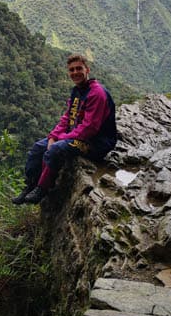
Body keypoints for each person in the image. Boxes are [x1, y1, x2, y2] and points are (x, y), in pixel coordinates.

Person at [12, 53, 117, 205]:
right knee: (37, 148)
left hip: (96, 143)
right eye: (71, 70)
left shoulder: (97, 93)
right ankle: (30, 185)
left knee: (55, 149)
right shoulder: (77, 91)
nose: (75, 73)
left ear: (87, 70)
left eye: (79, 68)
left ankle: (42, 189)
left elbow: (89, 128)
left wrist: (59, 140)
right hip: (77, 136)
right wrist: (53, 135)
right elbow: (68, 118)